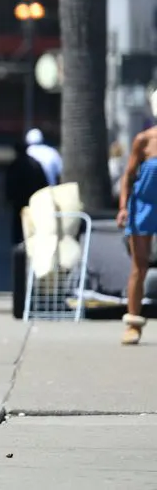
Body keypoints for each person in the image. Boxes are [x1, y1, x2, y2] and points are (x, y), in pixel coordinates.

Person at [116, 125, 157, 345]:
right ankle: (133, 324)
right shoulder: (144, 139)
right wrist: (123, 207)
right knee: (139, 266)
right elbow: (129, 175)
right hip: (144, 207)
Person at [4, 140, 50, 245]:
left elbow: (9, 184)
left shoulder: (15, 165)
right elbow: (44, 183)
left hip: (20, 201)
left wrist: (9, 198)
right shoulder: (35, 164)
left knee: (19, 224)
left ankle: (19, 244)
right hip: (33, 200)